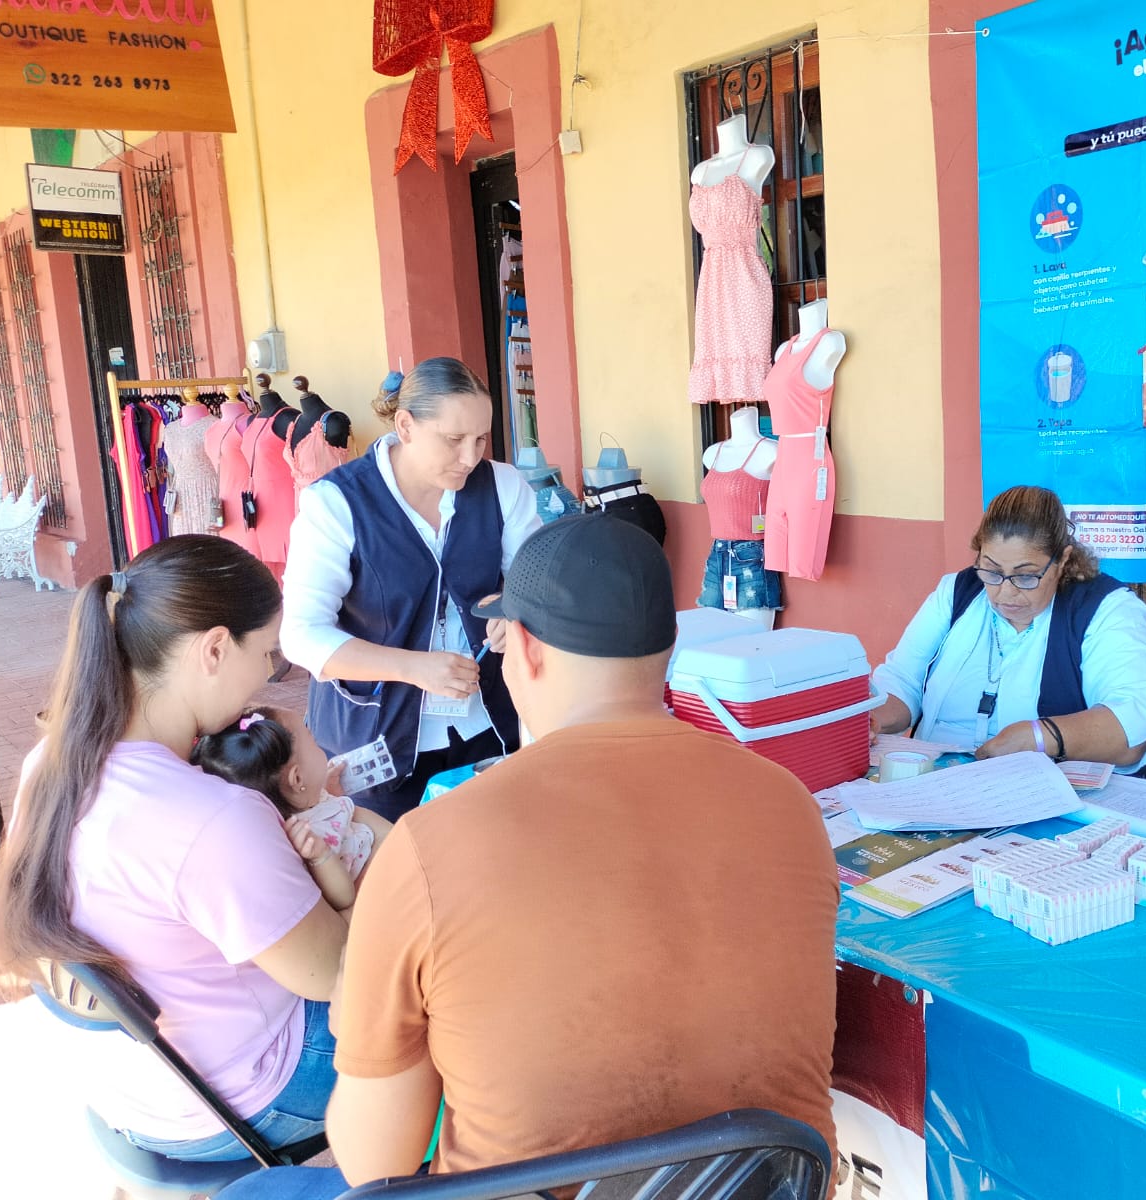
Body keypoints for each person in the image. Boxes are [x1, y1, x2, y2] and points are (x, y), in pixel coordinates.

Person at [216, 516, 840, 1198]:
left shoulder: (429, 847)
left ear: (529, 651)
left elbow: (375, 1164)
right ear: (666, 651)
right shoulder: (790, 806)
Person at [0, 536, 349, 1162]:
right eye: (266, 655)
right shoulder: (213, 817)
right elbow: (335, 973)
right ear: (213, 648)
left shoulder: (52, 762)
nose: (269, 677)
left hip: (136, 1089)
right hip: (241, 1097)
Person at [280, 357, 541, 822]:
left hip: (486, 726)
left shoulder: (502, 485)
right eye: (453, 439)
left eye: (481, 438)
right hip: (376, 738)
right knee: (395, 873)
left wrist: (511, 610)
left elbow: (534, 579)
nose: (471, 456)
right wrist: (412, 668)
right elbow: (301, 634)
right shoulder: (337, 503)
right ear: (405, 425)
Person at [872, 485, 1146, 770]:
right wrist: (872, 720)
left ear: (1062, 560)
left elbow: (1138, 717)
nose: (1005, 593)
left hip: (1043, 797)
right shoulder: (956, 592)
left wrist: (1041, 737)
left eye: (1026, 576)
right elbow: (903, 682)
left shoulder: (1103, 608)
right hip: (934, 781)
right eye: (991, 571)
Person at [193, 708, 394, 914]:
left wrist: (324, 791)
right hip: (384, 888)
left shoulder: (306, 803)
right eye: (313, 740)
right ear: (297, 779)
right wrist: (321, 857)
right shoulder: (312, 838)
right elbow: (344, 898)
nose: (319, 747)